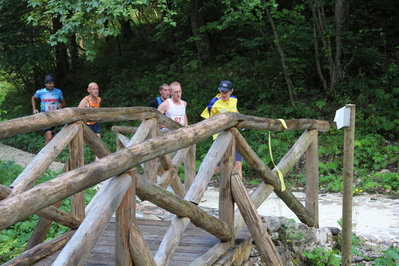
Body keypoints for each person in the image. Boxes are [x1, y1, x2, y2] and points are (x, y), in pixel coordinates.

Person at [200, 80, 242, 176]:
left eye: (226, 92)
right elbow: (206, 120)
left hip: (234, 135)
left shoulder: (234, 100)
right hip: (220, 137)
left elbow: (235, 111)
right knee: (218, 167)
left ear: (231, 91)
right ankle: (201, 182)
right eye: (222, 91)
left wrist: (242, 121)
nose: (223, 94)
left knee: (238, 164)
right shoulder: (213, 103)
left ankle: (241, 189)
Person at [32, 75, 66, 145]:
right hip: (44, 115)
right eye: (50, 83)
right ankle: (44, 155)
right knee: (49, 137)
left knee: (52, 138)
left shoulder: (58, 91)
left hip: (54, 115)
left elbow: (63, 102)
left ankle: (50, 154)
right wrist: (34, 109)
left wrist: (61, 105)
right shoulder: (40, 92)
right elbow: (33, 98)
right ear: (46, 84)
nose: (52, 85)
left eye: (53, 83)